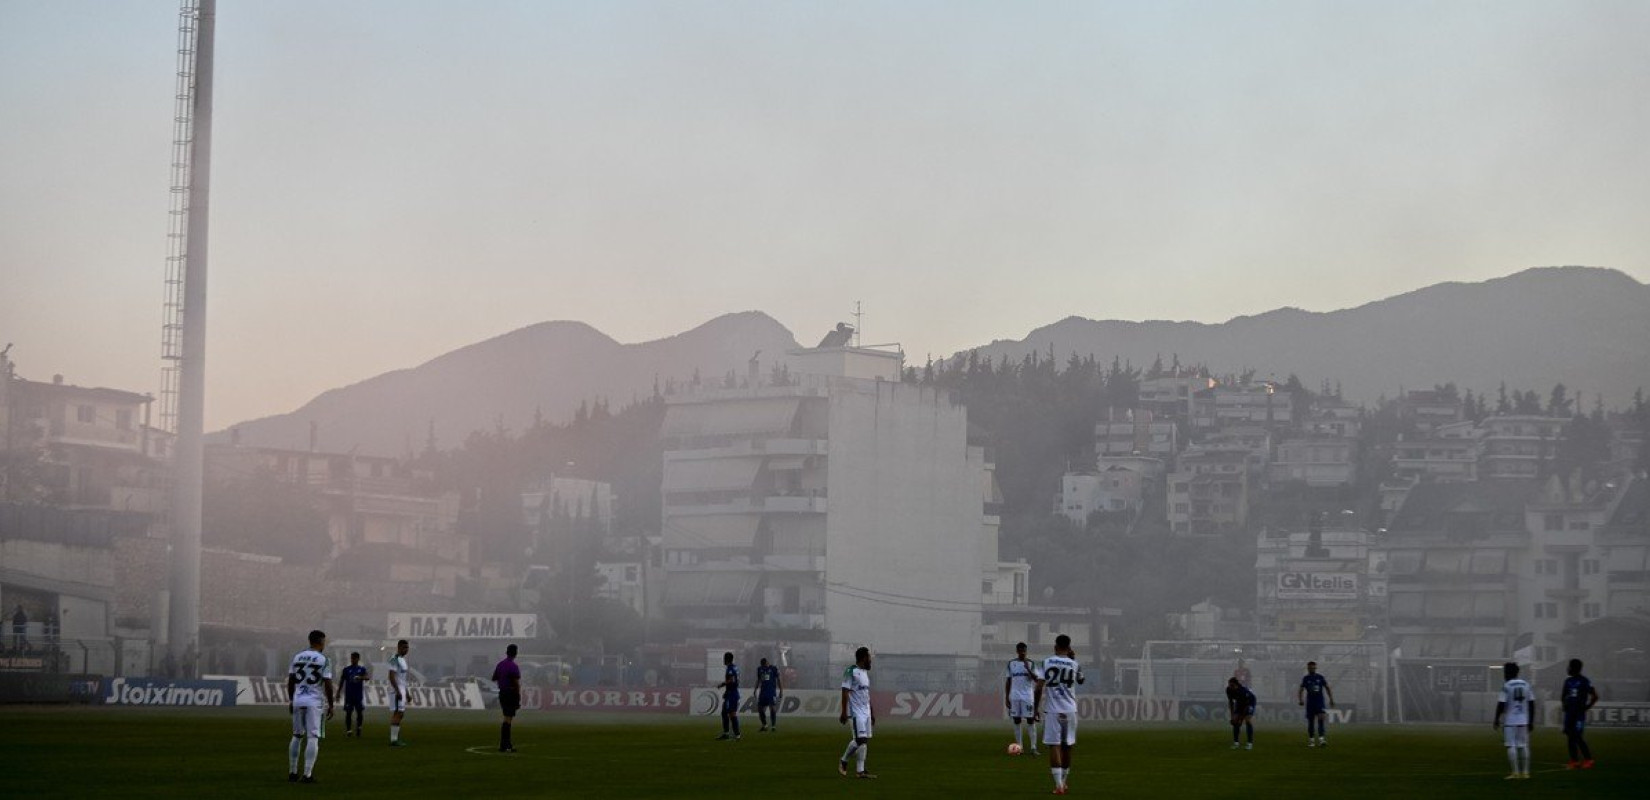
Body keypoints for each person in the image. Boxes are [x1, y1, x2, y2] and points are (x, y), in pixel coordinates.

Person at [1034, 634, 1084, 795]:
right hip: (1070, 709)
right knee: (1067, 746)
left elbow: (1038, 687)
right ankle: (1064, 782)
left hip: (1053, 710)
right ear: (1069, 647)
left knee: (1054, 745)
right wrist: (1073, 658)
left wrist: (1035, 708)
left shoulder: (1046, 662)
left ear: (1055, 647)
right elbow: (1081, 680)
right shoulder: (1075, 664)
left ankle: (1058, 786)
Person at [286, 629, 335, 784]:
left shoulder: (297, 657)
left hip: (299, 699)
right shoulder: (324, 659)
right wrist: (331, 704)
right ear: (321, 642)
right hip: (314, 701)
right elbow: (327, 683)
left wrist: (291, 700)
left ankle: (293, 772)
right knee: (313, 737)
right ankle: (307, 775)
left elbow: (291, 680)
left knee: (297, 735)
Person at [837, 646, 875, 779]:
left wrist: (872, 711)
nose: (871, 660)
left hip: (866, 712)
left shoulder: (864, 673)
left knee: (863, 741)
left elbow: (866, 694)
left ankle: (860, 771)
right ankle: (845, 761)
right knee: (861, 739)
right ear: (864, 658)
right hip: (856, 712)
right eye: (869, 657)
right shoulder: (850, 671)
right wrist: (843, 712)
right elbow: (845, 691)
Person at [1493, 661, 1535, 780]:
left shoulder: (1506, 686)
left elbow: (1501, 703)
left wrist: (1496, 718)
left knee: (1511, 746)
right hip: (1524, 720)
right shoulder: (1526, 684)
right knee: (1524, 745)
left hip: (1510, 721)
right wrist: (1531, 720)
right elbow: (1532, 703)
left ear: (1507, 672)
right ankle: (1526, 773)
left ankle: (1515, 772)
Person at [1561, 658, 1598, 769]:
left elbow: (1595, 696)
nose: (1568, 669)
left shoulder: (1584, 681)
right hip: (1569, 714)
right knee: (1569, 736)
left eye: (1570, 666)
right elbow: (1563, 696)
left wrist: (1587, 707)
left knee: (1577, 736)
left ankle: (1588, 759)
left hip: (1578, 714)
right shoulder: (1567, 681)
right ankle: (1574, 761)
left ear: (1574, 668)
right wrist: (1564, 705)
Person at [1005, 641, 1040, 755]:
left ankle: (1033, 747)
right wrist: (1007, 697)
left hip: (1027, 697)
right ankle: (1020, 747)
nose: (1022, 653)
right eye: (1020, 651)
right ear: (1017, 651)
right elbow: (1008, 680)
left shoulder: (1031, 663)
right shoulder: (1011, 663)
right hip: (1015, 696)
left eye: (1024, 651)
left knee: (1030, 720)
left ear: (1026, 651)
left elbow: (1036, 679)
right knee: (1017, 720)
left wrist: (1028, 668)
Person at [1297, 661, 1335, 747]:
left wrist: (1331, 699)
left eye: (1313, 668)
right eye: (1310, 668)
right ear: (1308, 668)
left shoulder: (1320, 677)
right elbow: (1301, 690)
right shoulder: (1306, 678)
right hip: (1310, 703)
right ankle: (1311, 741)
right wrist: (1300, 699)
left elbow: (1327, 688)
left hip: (1319, 702)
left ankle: (1322, 740)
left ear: (1315, 668)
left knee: (1321, 720)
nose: (1312, 669)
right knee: (1311, 722)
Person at [492, 643, 522, 752]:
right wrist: (518, 696)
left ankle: (505, 744)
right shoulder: (513, 666)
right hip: (511, 693)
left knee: (506, 717)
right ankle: (505, 745)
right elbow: (516, 682)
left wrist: (502, 680)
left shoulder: (500, 664)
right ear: (515, 653)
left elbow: (494, 677)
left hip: (502, 693)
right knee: (508, 719)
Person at [339, 652, 370, 737]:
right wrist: (338, 692)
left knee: (359, 712)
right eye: (352, 658)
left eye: (354, 658)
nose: (353, 660)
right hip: (349, 695)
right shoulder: (346, 669)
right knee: (348, 712)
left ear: (358, 659)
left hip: (358, 695)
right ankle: (349, 730)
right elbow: (342, 681)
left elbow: (367, 677)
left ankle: (359, 727)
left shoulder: (361, 669)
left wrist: (360, 677)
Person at [387, 639, 410, 747]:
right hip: (396, 690)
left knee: (400, 714)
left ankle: (395, 738)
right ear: (399, 647)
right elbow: (391, 676)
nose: (406, 649)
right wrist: (397, 690)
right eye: (404, 647)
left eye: (407, 648)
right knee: (398, 713)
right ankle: (393, 740)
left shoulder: (403, 660)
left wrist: (407, 692)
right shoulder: (394, 659)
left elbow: (403, 679)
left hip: (401, 689)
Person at [715, 651, 742, 740]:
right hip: (730, 693)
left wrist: (721, 684)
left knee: (732, 714)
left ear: (726, 659)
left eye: (724, 658)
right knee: (724, 712)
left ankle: (737, 735)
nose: (723, 660)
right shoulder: (735, 667)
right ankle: (726, 734)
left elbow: (731, 680)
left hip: (732, 694)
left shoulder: (730, 668)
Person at [1226, 677, 1257, 750]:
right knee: (1235, 722)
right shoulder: (1228, 690)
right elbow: (1231, 703)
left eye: (1232, 685)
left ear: (1236, 685)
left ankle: (1249, 743)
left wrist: (1240, 719)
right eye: (1229, 685)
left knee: (1247, 721)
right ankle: (1236, 743)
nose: (1230, 687)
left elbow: (1245, 709)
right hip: (1239, 703)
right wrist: (1232, 716)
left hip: (1250, 703)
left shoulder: (1242, 691)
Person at [755, 657, 783, 732]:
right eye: (763, 665)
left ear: (767, 663)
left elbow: (778, 679)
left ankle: (773, 726)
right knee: (760, 709)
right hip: (763, 692)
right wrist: (755, 689)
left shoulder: (773, 669)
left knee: (772, 708)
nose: (764, 666)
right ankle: (765, 725)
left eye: (765, 664)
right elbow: (759, 679)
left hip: (771, 692)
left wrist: (781, 690)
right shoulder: (759, 669)